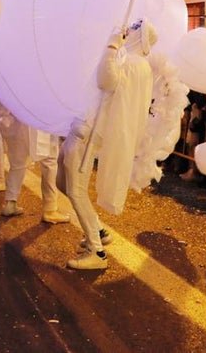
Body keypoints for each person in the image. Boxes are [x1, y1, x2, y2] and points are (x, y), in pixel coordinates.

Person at [61, 22, 156, 270]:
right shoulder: (137, 63)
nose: (129, 28)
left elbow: (106, 80)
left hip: (89, 132)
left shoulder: (132, 63)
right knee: (64, 182)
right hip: (87, 128)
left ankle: (96, 251)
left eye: (135, 27)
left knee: (75, 190)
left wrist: (112, 44)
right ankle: (99, 231)